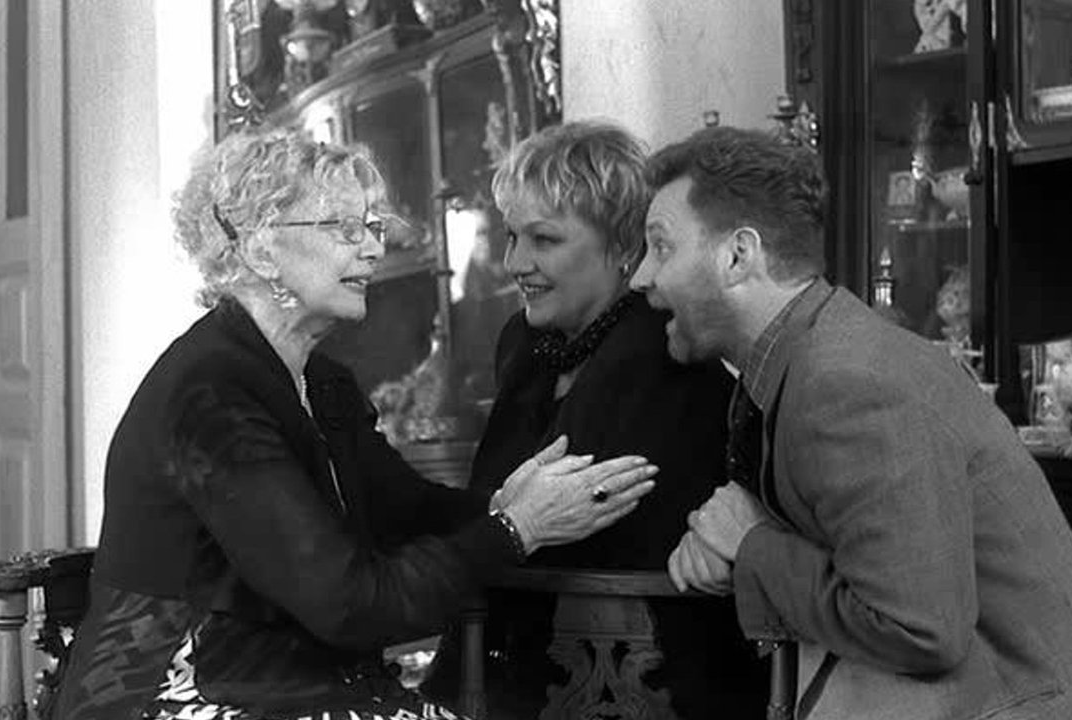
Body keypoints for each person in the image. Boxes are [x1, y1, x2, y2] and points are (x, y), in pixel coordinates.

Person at [51, 124, 660, 720]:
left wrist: (513, 506)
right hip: (179, 697)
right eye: (345, 229)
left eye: (371, 227)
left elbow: (411, 510)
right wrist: (515, 527)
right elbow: (349, 604)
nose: (373, 248)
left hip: (297, 689)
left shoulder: (322, 382)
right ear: (261, 249)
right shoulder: (209, 393)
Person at [630, 125, 1072, 719]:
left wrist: (750, 548)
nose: (641, 277)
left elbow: (916, 627)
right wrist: (742, 536)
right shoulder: (812, 358)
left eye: (661, 247)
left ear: (737, 256)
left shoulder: (846, 382)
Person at [422, 121, 767, 719]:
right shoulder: (527, 345)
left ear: (623, 246)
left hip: (652, 681)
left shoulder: (663, 347)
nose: (515, 262)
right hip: (517, 661)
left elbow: (573, 541)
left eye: (544, 239)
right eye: (511, 236)